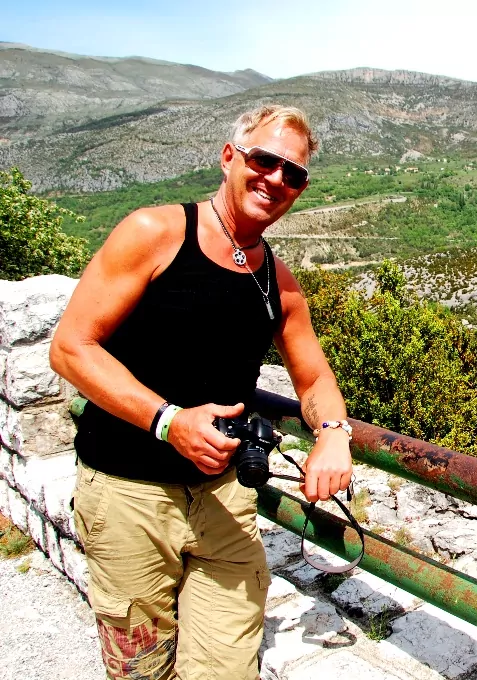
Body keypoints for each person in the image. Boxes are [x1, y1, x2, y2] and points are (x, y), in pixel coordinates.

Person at [49, 104, 352, 680]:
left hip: (222, 499)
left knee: (227, 669)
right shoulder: (155, 233)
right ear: (229, 156)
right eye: (265, 160)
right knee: (140, 669)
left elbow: (313, 378)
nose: (277, 180)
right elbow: (70, 348)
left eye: (295, 174)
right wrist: (169, 421)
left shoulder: (277, 282)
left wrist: (334, 435)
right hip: (127, 495)